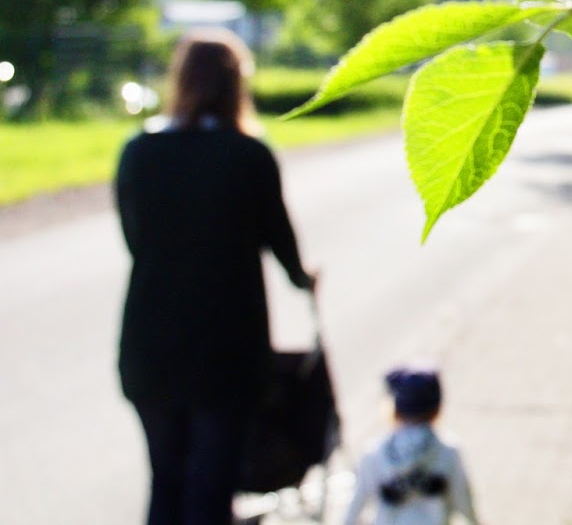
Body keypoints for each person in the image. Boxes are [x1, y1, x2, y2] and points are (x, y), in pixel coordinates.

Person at [115, 28, 317, 525]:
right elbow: (280, 240)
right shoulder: (248, 155)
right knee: (212, 483)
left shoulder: (139, 153)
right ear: (236, 85)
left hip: (150, 345)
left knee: (167, 480)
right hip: (226, 349)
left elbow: (136, 239)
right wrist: (303, 279)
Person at [343, 365, 480, 525]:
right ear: (437, 408)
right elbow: (464, 502)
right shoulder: (448, 451)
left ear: (394, 408)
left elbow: (352, 511)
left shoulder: (374, 454)